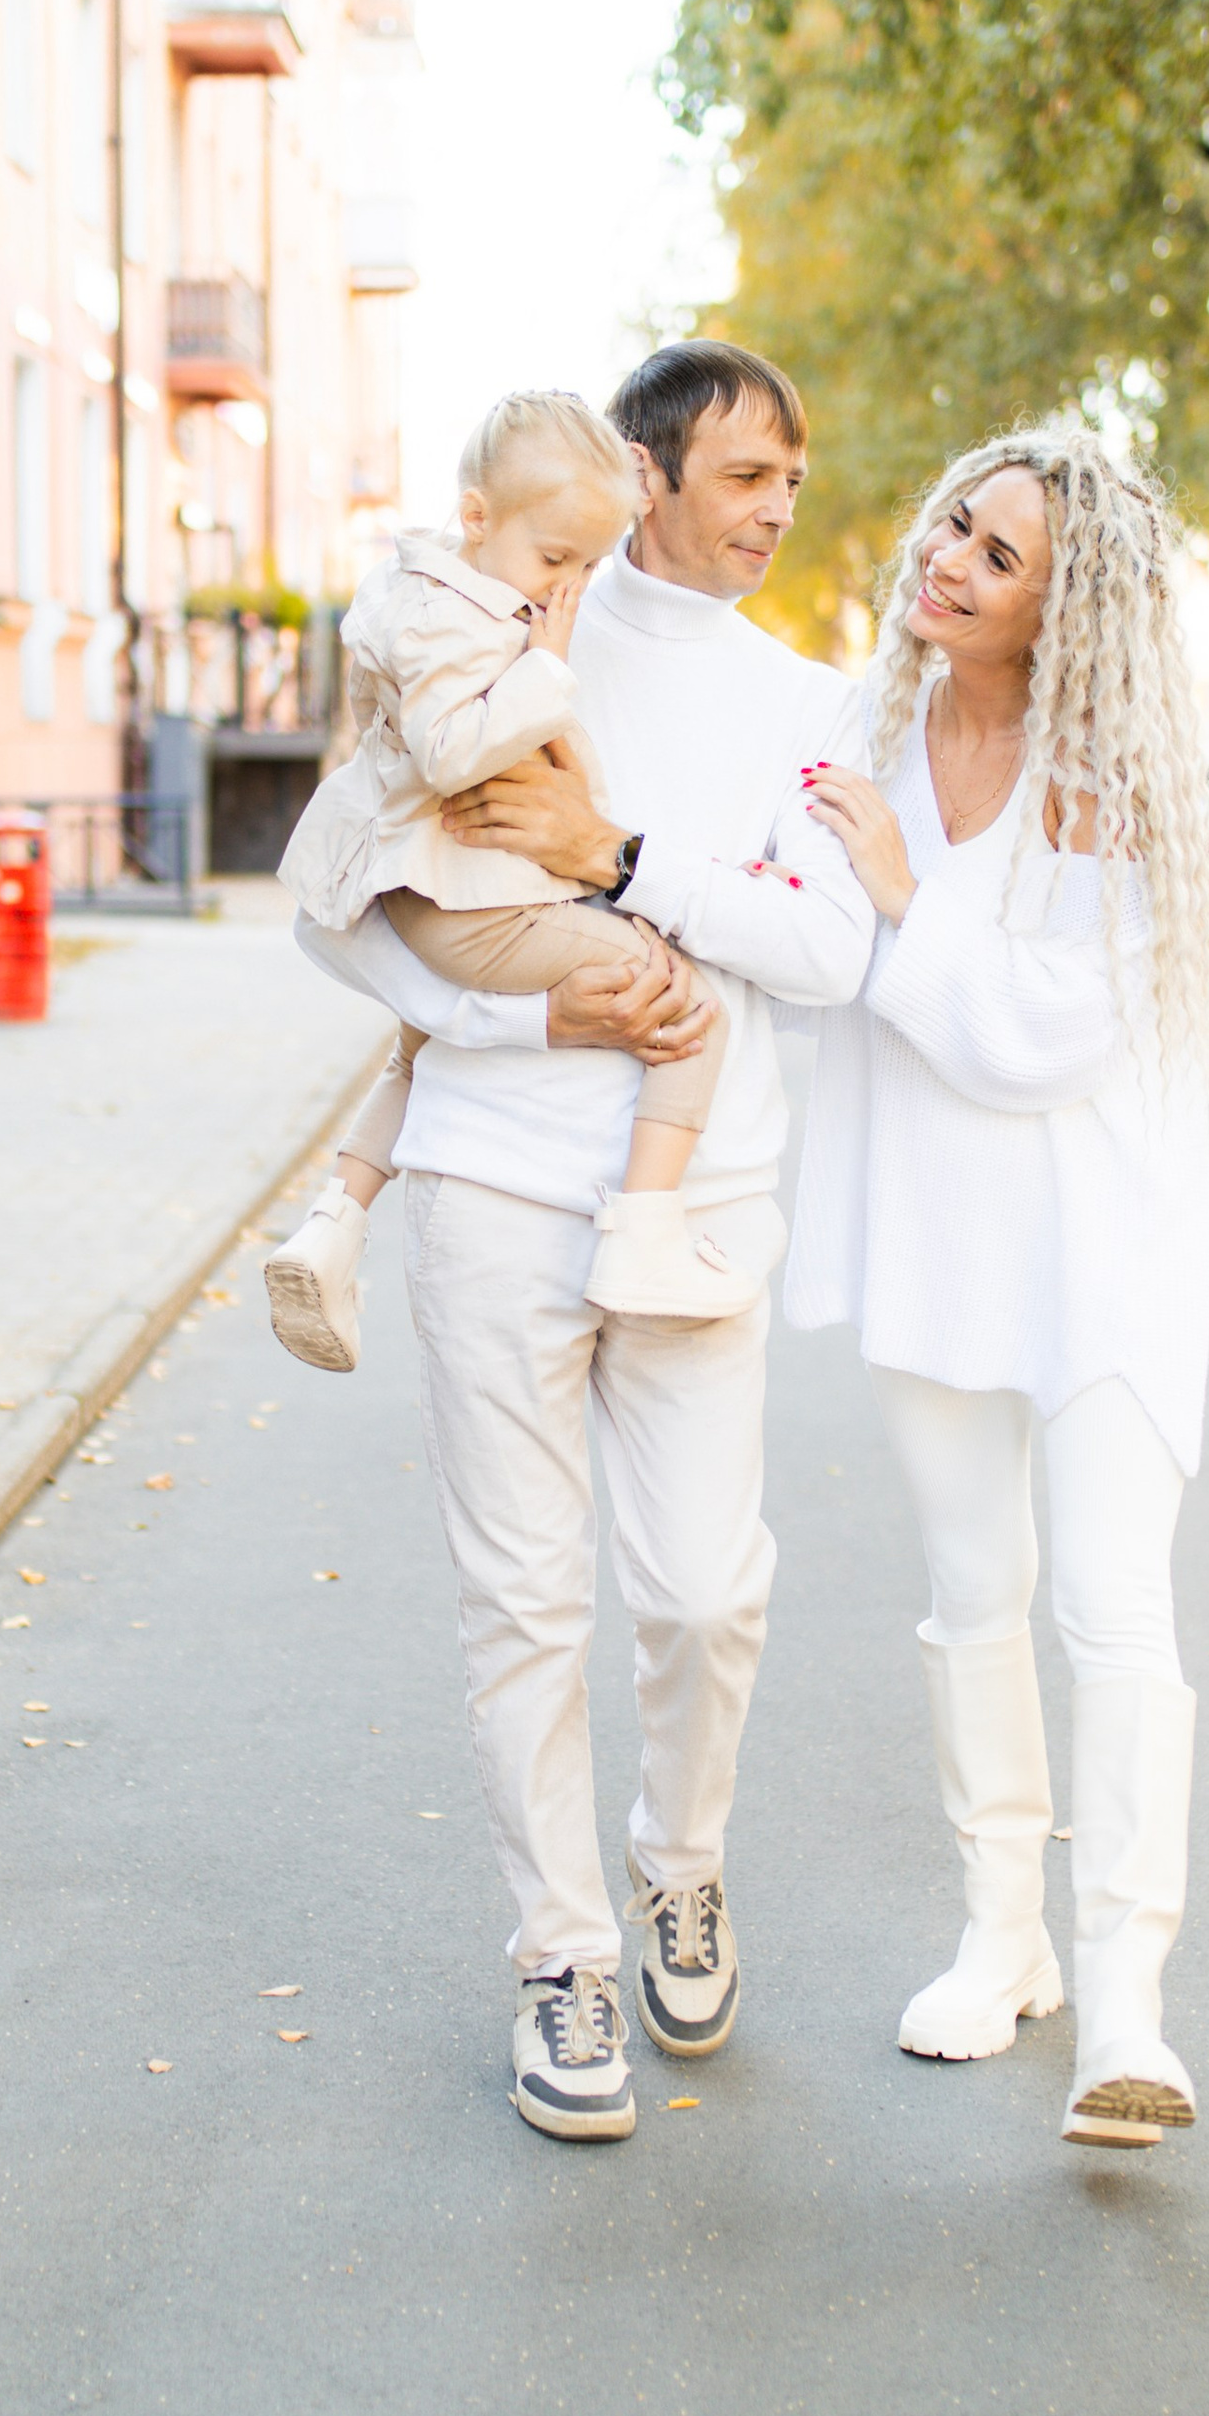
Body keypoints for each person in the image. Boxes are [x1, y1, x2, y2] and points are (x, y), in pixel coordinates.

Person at [293, 342, 871, 2142]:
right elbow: (353, 921)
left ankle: (677, 1858)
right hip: (489, 1184)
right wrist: (535, 1026)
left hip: (701, 1202)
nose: (779, 508)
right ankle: (561, 1956)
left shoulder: (814, 701)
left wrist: (621, 859)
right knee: (526, 1596)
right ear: (643, 475)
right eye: (749, 474)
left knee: (708, 1591)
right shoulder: (493, 638)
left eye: (794, 477)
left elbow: (829, 953)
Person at [791, 422, 1209, 2150]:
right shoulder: (864, 731)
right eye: (954, 526)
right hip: (935, 1228)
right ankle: (1004, 1936)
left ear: (1067, 611)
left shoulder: (1115, 776)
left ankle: (1129, 1994)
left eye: (998, 557)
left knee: (1114, 1602)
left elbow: (1045, 1037)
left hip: (1104, 1238)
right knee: (972, 1583)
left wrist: (902, 904)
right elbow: (804, 948)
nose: (947, 563)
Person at [266, 390, 752, 1349]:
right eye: (554, 559)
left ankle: (335, 1219)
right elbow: (451, 751)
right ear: (477, 515)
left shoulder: (419, 588)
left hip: (433, 890)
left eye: (584, 565)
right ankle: (647, 1234)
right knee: (690, 1009)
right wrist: (549, 665)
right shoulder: (462, 622)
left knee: (417, 1046)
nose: (563, 587)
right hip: (474, 900)